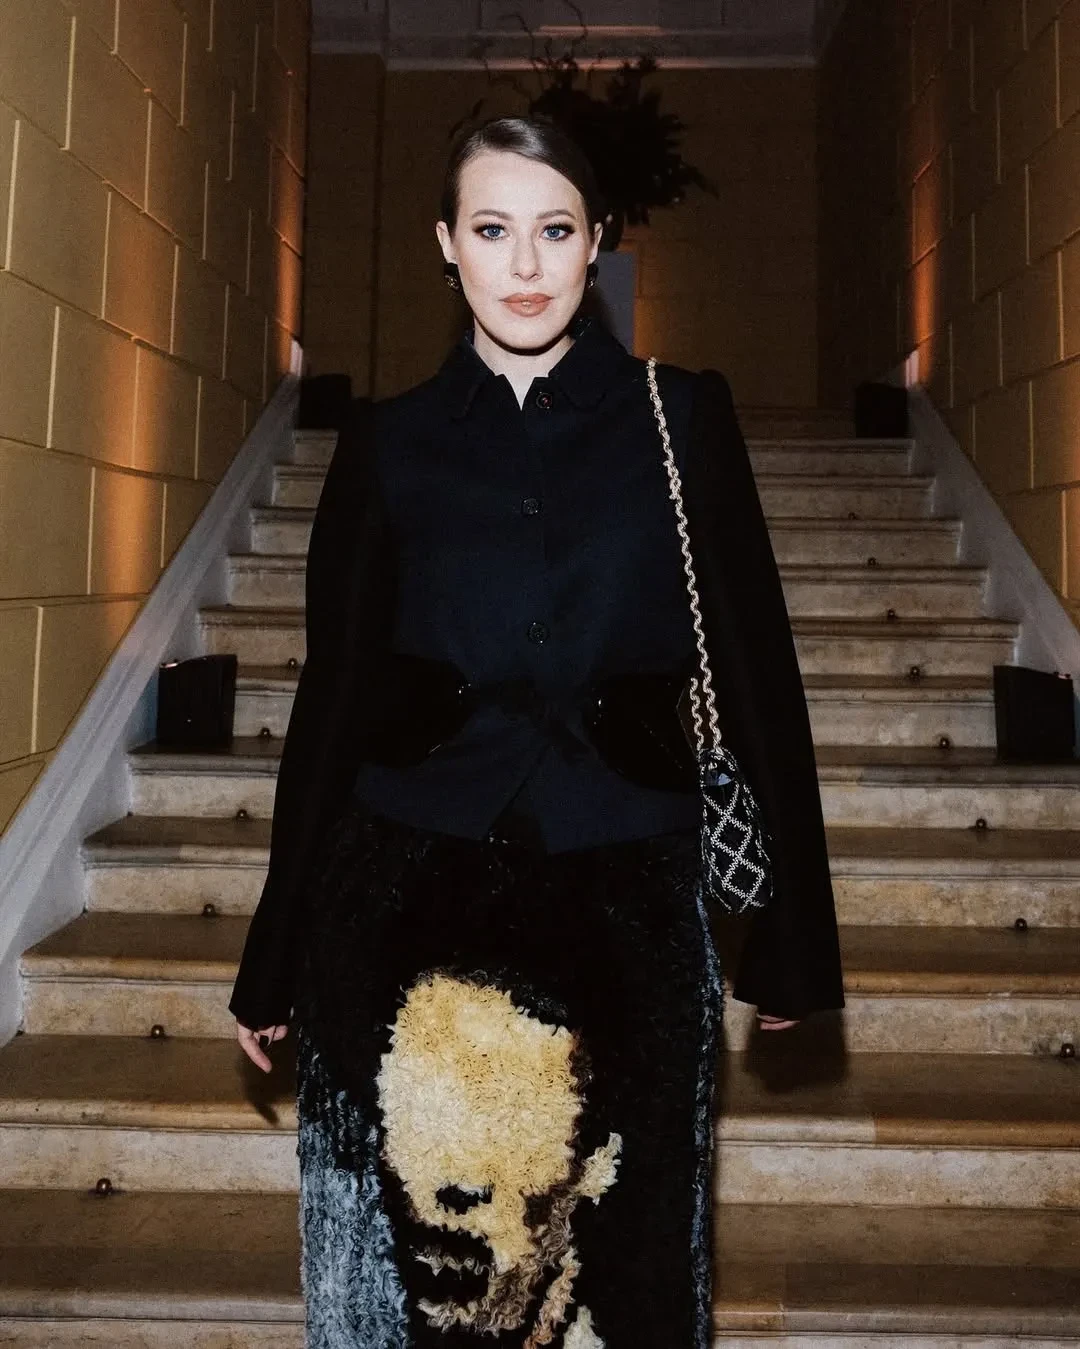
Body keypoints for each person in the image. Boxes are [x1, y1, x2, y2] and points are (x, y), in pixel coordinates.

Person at [229, 114, 844, 1348]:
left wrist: (794, 934)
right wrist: (278, 937)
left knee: (629, 1277)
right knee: (426, 1295)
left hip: (631, 892)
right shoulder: (388, 443)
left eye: (554, 230)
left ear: (597, 242)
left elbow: (760, 674)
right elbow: (334, 702)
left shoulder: (681, 418)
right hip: (408, 895)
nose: (524, 264)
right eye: (493, 229)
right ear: (446, 244)